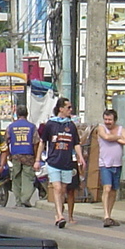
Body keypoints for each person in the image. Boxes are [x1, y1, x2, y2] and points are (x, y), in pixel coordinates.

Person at [37, 97, 85, 229]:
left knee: (63, 189)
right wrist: (38, 159)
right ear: (61, 109)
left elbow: (76, 143)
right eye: (68, 107)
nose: (70, 110)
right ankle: (59, 216)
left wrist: (80, 157)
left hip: (67, 163)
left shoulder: (71, 125)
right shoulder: (51, 124)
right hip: (53, 161)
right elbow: (42, 142)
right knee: (57, 188)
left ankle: (59, 211)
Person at [95, 108, 125, 228]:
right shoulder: (100, 127)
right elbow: (106, 137)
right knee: (107, 188)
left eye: (110, 120)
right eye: (105, 119)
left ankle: (109, 214)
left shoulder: (121, 129)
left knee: (114, 190)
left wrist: (114, 136)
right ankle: (105, 216)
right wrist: (117, 137)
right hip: (105, 163)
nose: (107, 122)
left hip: (117, 164)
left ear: (115, 120)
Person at [4, 104, 38, 208]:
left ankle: (18, 200)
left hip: (15, 155)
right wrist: (36, 157)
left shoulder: (11, 126)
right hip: (29, 155)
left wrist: (9, 155)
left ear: (17, 114)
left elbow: (5, 142)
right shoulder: (32, 127)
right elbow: (36, 142)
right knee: (28, 178)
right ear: (27, 114)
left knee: (16, 178)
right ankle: (25, 199)